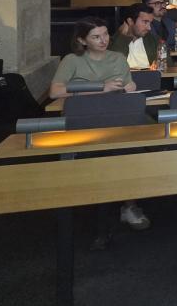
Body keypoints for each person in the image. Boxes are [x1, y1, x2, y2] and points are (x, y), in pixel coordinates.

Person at [49, 18, 148, 230]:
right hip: (85, 118)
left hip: (116, 114)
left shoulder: (118, 58)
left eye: (105, 35)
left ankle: (129, 205)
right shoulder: (72, 60)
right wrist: (100, 88)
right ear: (82, 40)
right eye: (96, 37)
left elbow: (129, 84)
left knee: (130, 151)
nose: (103, 40)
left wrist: (128, 87)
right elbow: (55, 91)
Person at [109, 3, 159, 70]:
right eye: (145, 22)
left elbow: (168, 66)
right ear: (130, 21)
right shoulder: (112, 42)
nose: (149, 28)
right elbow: (113, 67)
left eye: (150, 23)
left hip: (150, 79)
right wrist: (123, 37)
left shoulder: (153, 40)